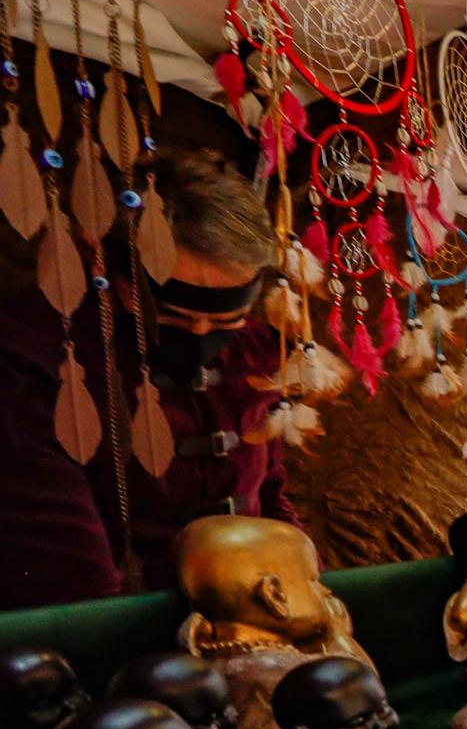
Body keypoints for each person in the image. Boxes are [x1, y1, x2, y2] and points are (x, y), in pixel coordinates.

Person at [0, 147, 292, 608]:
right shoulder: (31, 366)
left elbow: (271, 498)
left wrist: (295, 591)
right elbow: (75, 585)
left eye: (222, 321)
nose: (199, 334)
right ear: (108, 273)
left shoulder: (254, 353)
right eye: (173, 317)